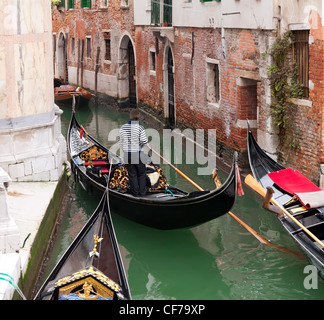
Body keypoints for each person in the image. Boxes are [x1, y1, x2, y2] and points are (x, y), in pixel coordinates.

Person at [119, 109, 148, 197]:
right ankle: (142, 193)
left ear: (130, 117)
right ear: (138, 118)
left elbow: (120, 141)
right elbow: (143, 141)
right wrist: (144, 144)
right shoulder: (140, 128)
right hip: (138, 154)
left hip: (127, 154)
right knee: (142, 174)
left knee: (132, 175)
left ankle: (135, 194)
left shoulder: (123, 127)